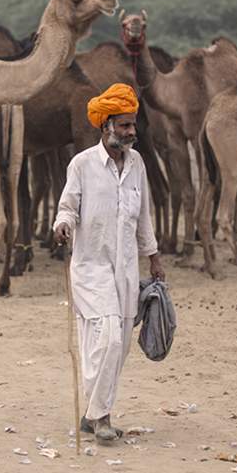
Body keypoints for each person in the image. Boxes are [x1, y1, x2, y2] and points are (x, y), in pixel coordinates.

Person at [53, 83, 165, 444]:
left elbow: (144, 215)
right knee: (110, 339)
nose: (132, 132)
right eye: (125, 126)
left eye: (133, 126)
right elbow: (67, 206)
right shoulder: (82, 164)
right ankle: (100, 418)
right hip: (90, 267)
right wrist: (63, 225)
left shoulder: (137, 164)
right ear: (106, 127)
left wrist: (154, 257)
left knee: (116, 347)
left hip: (127, 270)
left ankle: (93, 413)